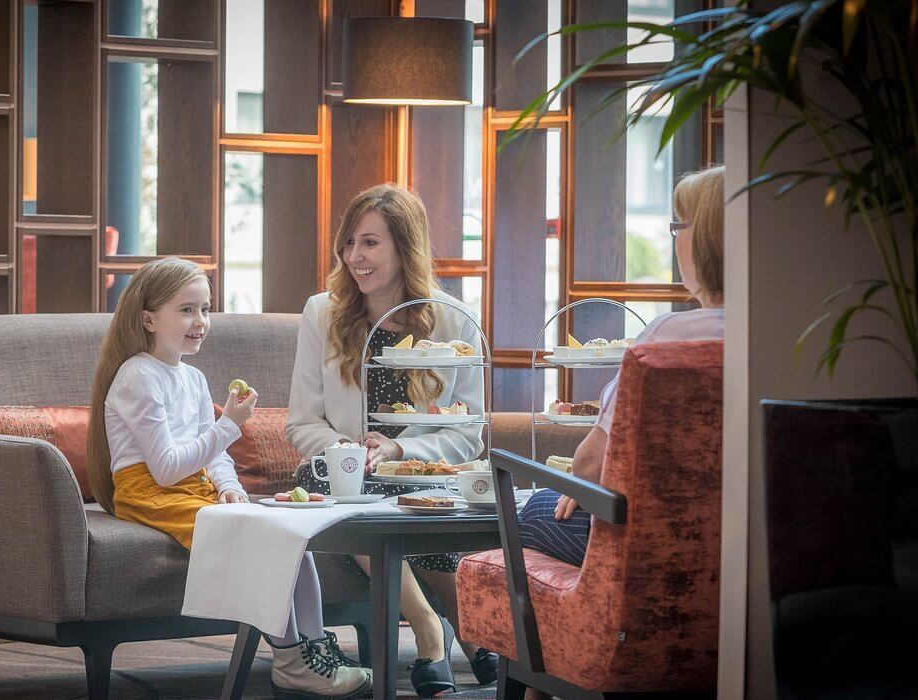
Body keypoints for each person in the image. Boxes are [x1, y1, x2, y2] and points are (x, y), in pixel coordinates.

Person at [85, 257, 371, 699]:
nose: (200, 321)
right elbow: (165, 467)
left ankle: (317, 652)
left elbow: (211, 455)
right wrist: (230, 425)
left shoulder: (194, 378)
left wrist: (230, 487)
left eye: (205, 309)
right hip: (149, 493)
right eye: (186, 310)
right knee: (264, 544)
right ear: (148, 319)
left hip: (191, 487)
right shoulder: (138, 376)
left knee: (291, 538)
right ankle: (290, 658)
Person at [287, 184, 497, 696]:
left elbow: (468, 432)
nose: (355, 257)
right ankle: (434, 626)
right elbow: (302, 423)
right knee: (335, 478)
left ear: (406, 246)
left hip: (425, 477)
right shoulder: (322, 313)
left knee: (399, 490)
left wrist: (399, 450)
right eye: (349, 243)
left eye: (371, 243)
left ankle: (465, 629)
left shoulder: (453, 318)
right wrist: (351, 454)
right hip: (346, 474)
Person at [518, 164, 726, 567]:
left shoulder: (668, 337)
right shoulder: (771, 339)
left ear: (703, 240)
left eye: (678, 227)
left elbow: (590, 464)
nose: (675, 239)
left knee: (531, 511)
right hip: (732, 543)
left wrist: (581, 486)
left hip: (649, 541)